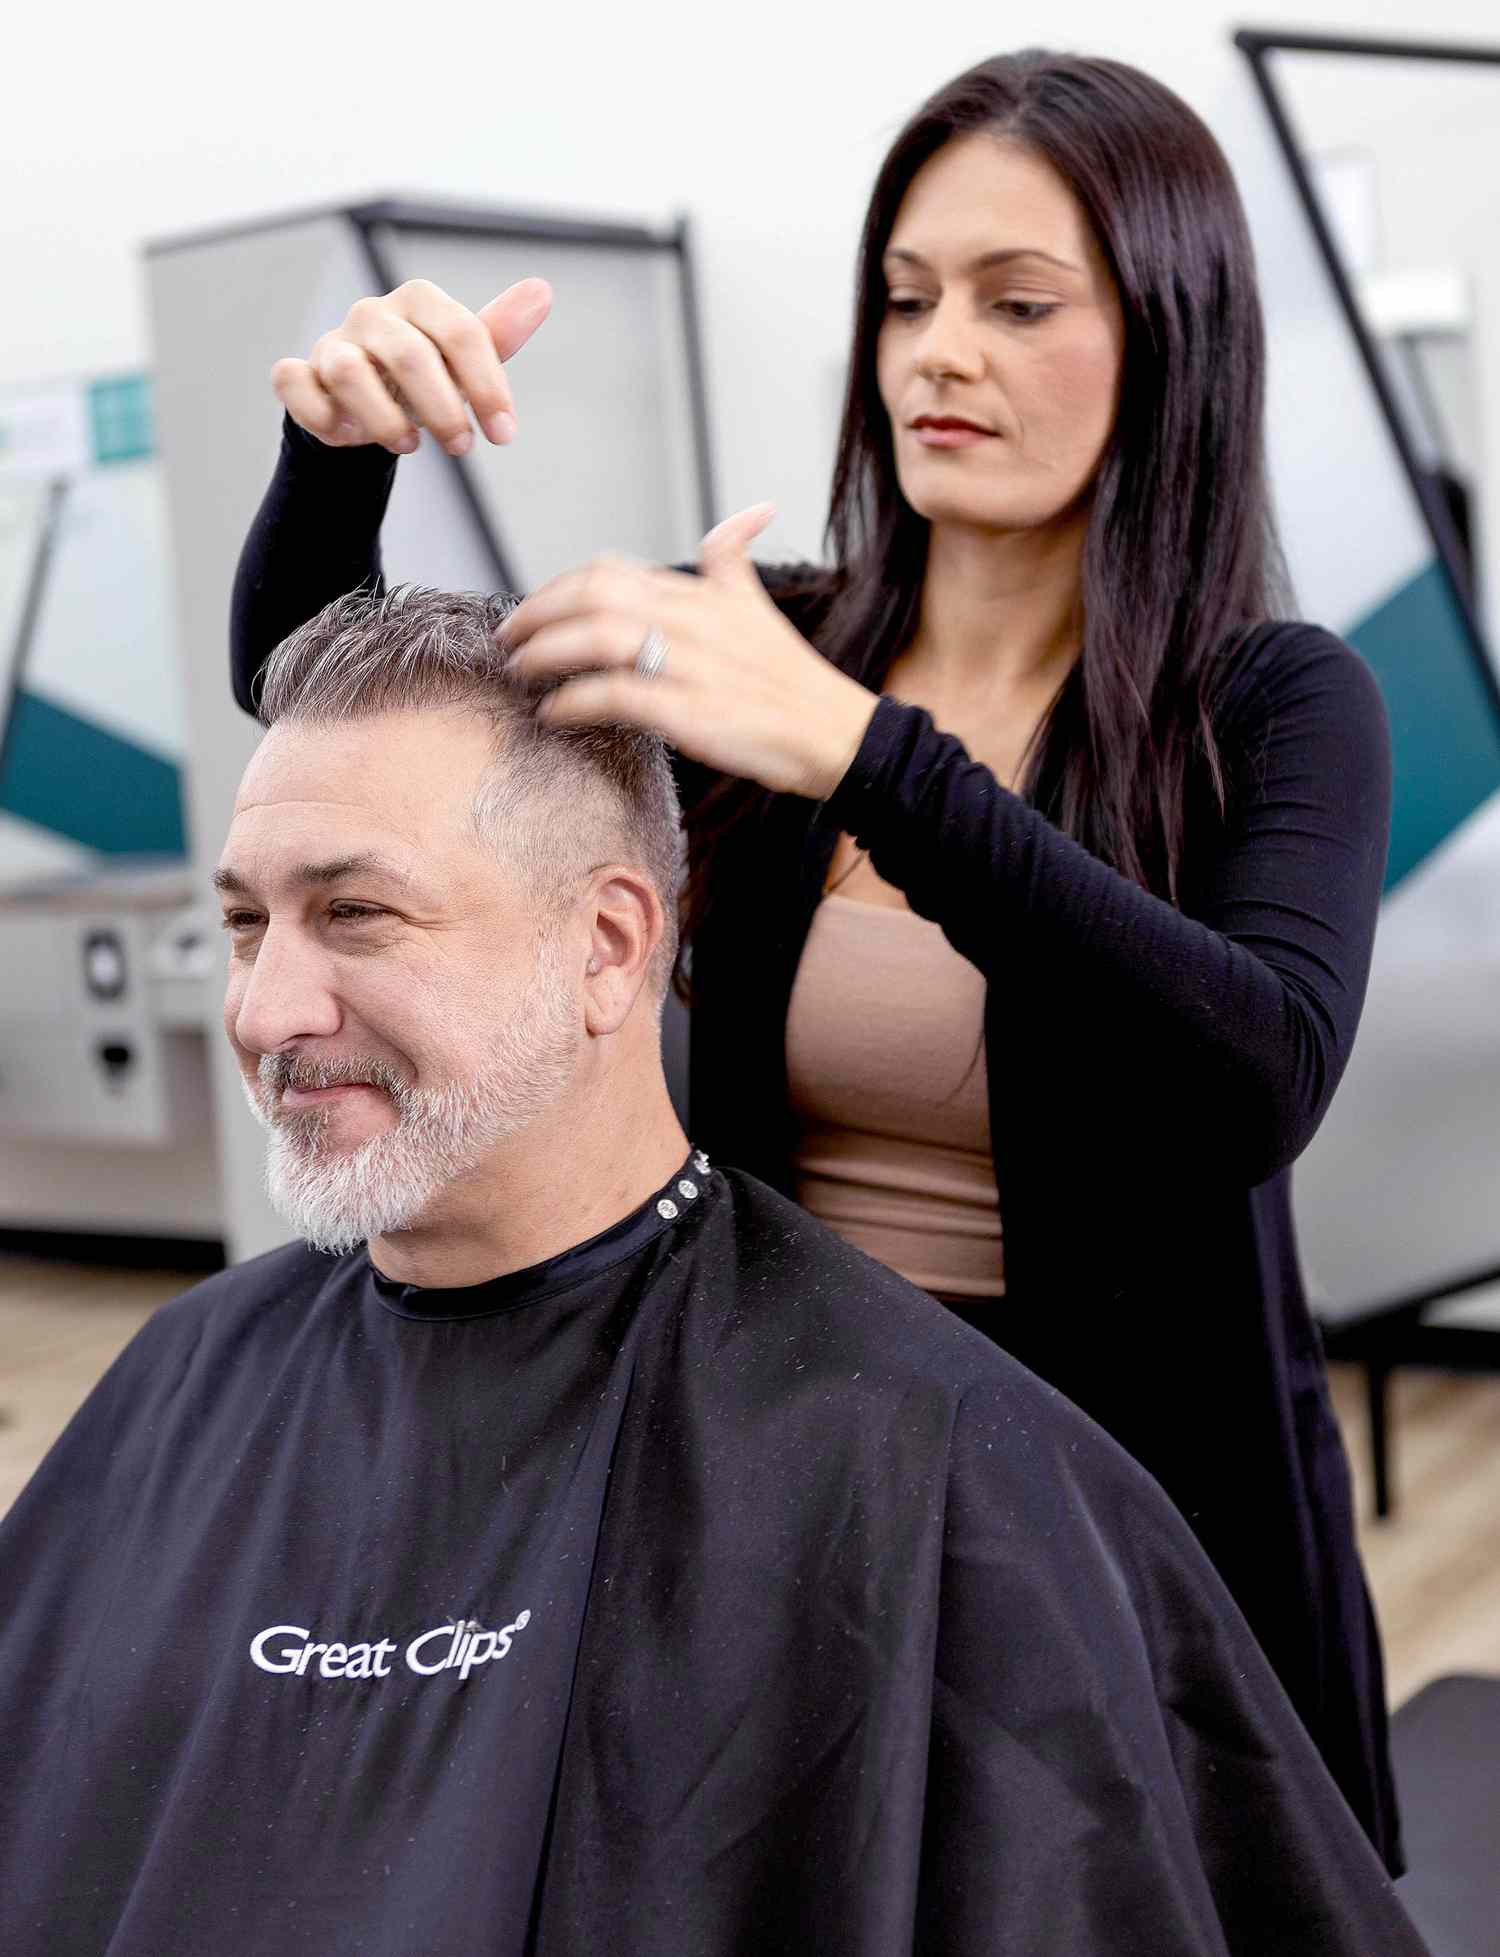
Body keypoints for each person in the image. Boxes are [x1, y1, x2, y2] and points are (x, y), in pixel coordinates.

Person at [230, 52, 1401, 1866]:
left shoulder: (1272, 700)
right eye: (909, 299)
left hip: (1134, 1523)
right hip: (799, 1487)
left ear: (1172, 338)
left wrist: (872, 759)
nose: (941, 354)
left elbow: (1251, 1075)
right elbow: (320, 690)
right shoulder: (760, 640)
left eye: (1021, 306)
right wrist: (338, 457)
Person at [0, 588, 1425, 1956]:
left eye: (358, 914)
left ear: (610, 948)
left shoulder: (923, 1464)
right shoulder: (184, 1386)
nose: (266, 1009)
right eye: (248, 922)